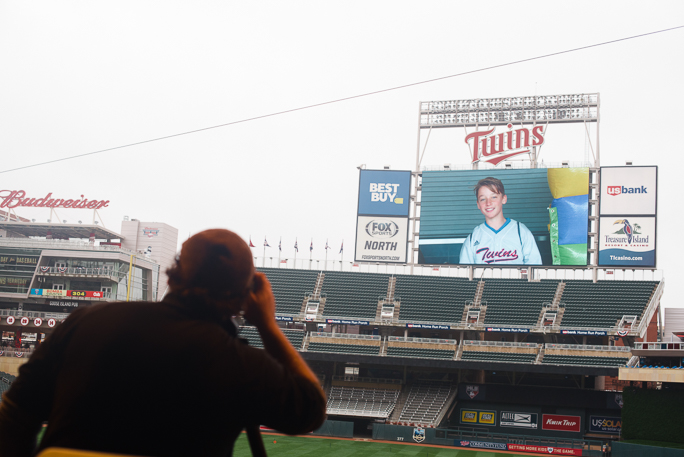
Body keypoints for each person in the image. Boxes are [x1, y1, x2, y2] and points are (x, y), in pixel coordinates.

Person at [0, 229, 326, 457]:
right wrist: (268, 325)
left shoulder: (85, 322)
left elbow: (14, 414)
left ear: (172, 275)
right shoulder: (240, 364)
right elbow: (309, 410)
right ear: (246, 297)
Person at [459, 177, 542, 265]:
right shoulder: (473, 239)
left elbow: (535, 270)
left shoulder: (521, 232)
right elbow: (465, 275)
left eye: (494, 197)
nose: (488, 203)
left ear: (503, 199)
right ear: (478, 204)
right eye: (483, 199)